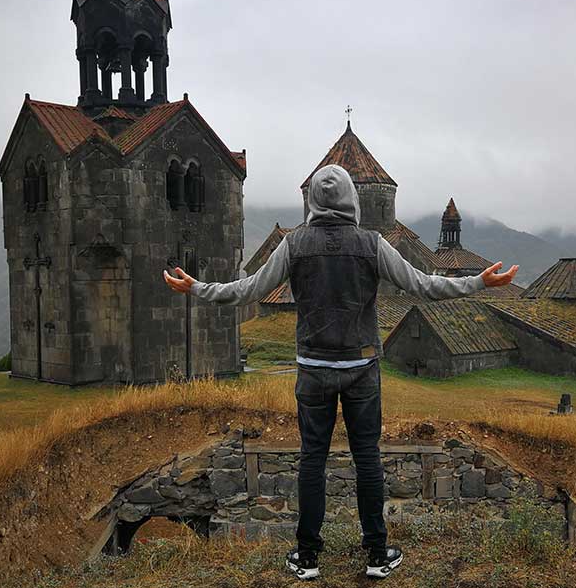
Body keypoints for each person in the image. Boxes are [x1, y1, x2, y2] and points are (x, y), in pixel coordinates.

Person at [164, 164, 519, 581]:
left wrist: (198, 288)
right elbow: (424, 285)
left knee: (312, 460)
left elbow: (249, 290)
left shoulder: (294, 244)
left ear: (313, 200)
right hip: (361, 366)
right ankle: (377, 554)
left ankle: (307, 557)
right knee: (367, 458)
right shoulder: (372, 243)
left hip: (313, 368)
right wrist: (478, 282)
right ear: (352, 198)